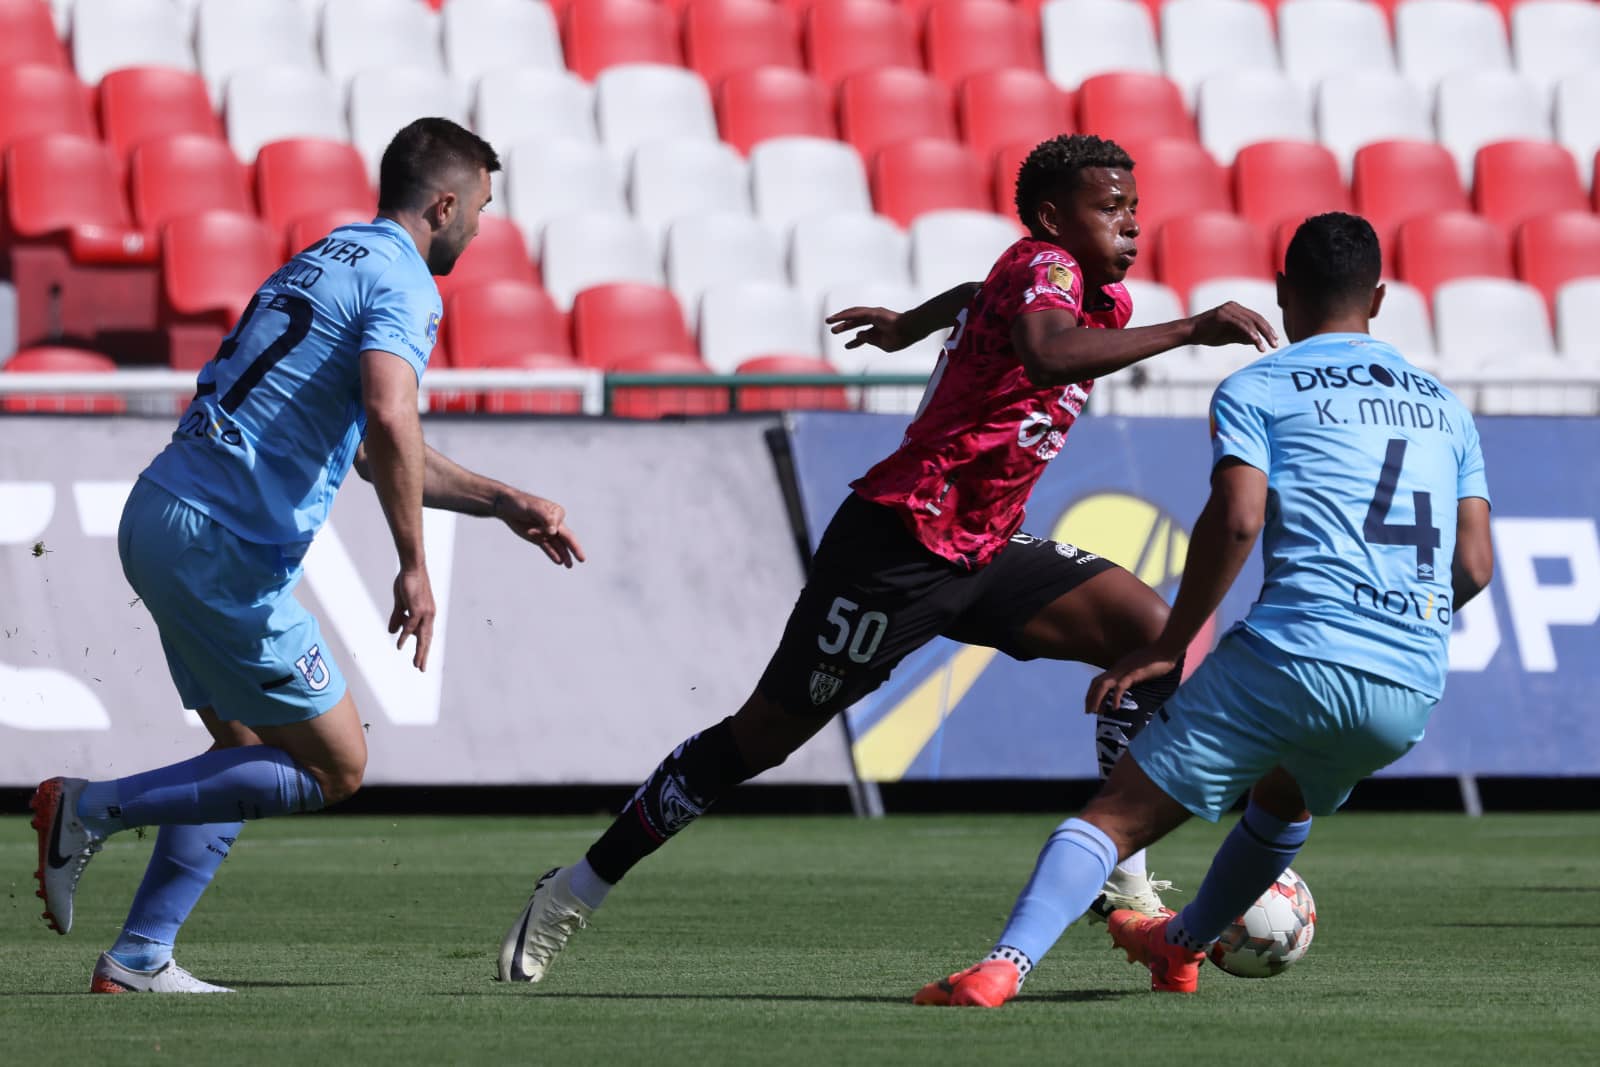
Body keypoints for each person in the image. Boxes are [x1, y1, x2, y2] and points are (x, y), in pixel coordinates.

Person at [496, 133, 1279, 985]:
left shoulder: (1089, 295)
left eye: (1133, 206)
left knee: (1153, 633)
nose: (1132, 223)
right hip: (896, 547)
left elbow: (988, 296)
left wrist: (918, 321)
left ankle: (1118, 875)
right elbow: (1046, 350)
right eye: (1110, 207)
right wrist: (1192, 330)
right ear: (1056, 218)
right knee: (755, 740)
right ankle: (574, 889)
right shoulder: (1045, 265)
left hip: (982, 548)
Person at [30, 118, 585, 994]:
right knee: (337, 765)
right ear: (443, 204)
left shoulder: (333, 255)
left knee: (241, 752)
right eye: (478, 206)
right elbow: (391, 415)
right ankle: (87, 809)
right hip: (225, 542)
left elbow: (372, 449)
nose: (480, 228)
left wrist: (502, 501)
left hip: (162, 510)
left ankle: (138, 957)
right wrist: (414, 563)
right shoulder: (406, 281)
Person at [914, 211, 1495, 1008]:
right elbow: (1473, 565)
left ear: (1284, 292)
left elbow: (1239, 518)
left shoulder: (1260, 384)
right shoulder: (1446, 408)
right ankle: (1176, 947)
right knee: (1286, 794)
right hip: (1408, 681)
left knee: (1114, 818)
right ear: (1382, 297)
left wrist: (1172, 644)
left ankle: (1001, 967)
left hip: (1295, 652)